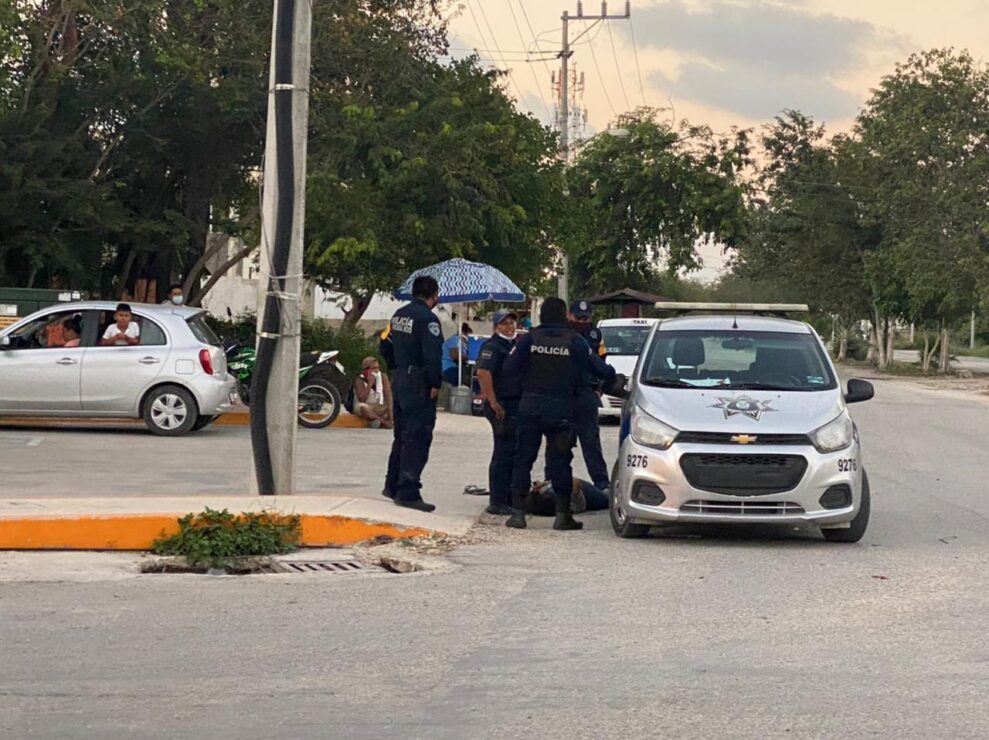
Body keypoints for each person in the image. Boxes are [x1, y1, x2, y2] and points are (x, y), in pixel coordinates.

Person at [503, 297, 618, 531]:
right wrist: (613, 376)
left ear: (543, 315)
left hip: (531, 406)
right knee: (560, 462)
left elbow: (509, 368)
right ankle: (562, 515)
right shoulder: (574, 340)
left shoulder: (529, 339)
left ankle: (517, 514)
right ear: (563, 315)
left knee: (523, 460)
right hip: (561, 409)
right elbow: (600, 368)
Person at [382, 276, 444, 512]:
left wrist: (395, 367)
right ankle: (408, 490)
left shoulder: (399, 315)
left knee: (402, 434)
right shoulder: (428, 319)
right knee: (418, 436)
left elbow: (384, 344)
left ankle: (392, 484)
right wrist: (435, 382)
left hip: (400, 378)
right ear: (434, 294)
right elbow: (432, 355)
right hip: (418, 382)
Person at [475, 310, 520, 516]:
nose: (510, 327)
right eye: (504, 324)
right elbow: (484, 373)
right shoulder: (492, 347)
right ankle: (498, 500)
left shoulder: (514, 345)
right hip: (500, 406)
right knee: (503, 452)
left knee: (513, 452)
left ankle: (510, 495)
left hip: (515, 404)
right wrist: (493, 401)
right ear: (496, 327)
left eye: (512, 322)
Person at [568, 299, 611, 492]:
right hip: (564, 394)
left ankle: (602, 484)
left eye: (586, 318)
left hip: (587, 392)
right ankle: (552, 482)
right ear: (569, 315)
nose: (582, 321)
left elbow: (602, 361)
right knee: (561, 442)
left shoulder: (595, 334)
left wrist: (600, 388)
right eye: (578, 317)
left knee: (591, 441)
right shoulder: (562, 333)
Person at [350, 357, 393, 429]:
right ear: (366, 370)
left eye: (377, 368)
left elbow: (388, 395)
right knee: (362, 407)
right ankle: (383, 422)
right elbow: (362, 399)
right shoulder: (359, 379)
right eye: (373, 368)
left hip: (379, 405)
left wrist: (391, 415)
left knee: (394, 401)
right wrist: (369, 384)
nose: (377, 371)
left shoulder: (383, 376)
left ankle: (389, 420)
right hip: (367, 406)